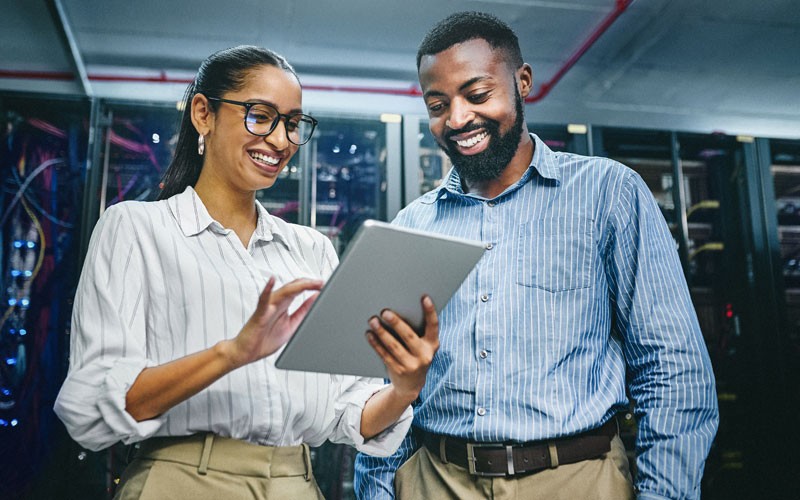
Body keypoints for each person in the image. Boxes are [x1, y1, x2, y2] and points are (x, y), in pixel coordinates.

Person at [355, 11, 718, 500]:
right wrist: (378, 491)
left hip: (577, 479)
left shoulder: (608, 194)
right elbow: (386, 386)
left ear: (522, 82)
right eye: (438, 104)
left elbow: (672, 370)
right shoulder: (412, 226)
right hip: (435, 480)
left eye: (477, 95)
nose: (457, 119)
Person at [54, 45, 439, 500]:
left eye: (293, 125)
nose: (280, 141)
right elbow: (93, 406)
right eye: (261, 116)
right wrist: (232, 353)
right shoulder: (136, 229)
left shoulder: (312, 249)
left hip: (297, 484)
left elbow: (347, 412)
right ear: (204, 113)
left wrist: (403, 386)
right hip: (182, 482)